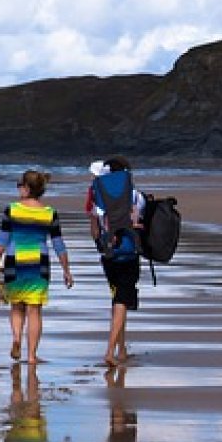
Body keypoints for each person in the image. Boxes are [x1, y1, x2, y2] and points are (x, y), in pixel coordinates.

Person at [0, 169, 74, 365]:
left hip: (14, 262)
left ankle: (17, 338)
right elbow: (58, 244)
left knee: (17, 307)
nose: (18, 188)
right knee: (34, 310)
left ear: (27, 188)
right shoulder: (49, 214)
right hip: (39, 265)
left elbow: (2, 241)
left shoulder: (12, 210)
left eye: (20, 185)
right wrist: (66, 271)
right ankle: (32, 356)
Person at [87, 156, 145, 366]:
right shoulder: (135, 196)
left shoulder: (99, 196)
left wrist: (102, 242)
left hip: (108, 255)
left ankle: (121, 349)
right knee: (122, 300)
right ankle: (110, 351)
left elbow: (94, 230)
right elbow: (139, 222)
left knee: (118, 300)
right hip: (129, 254)